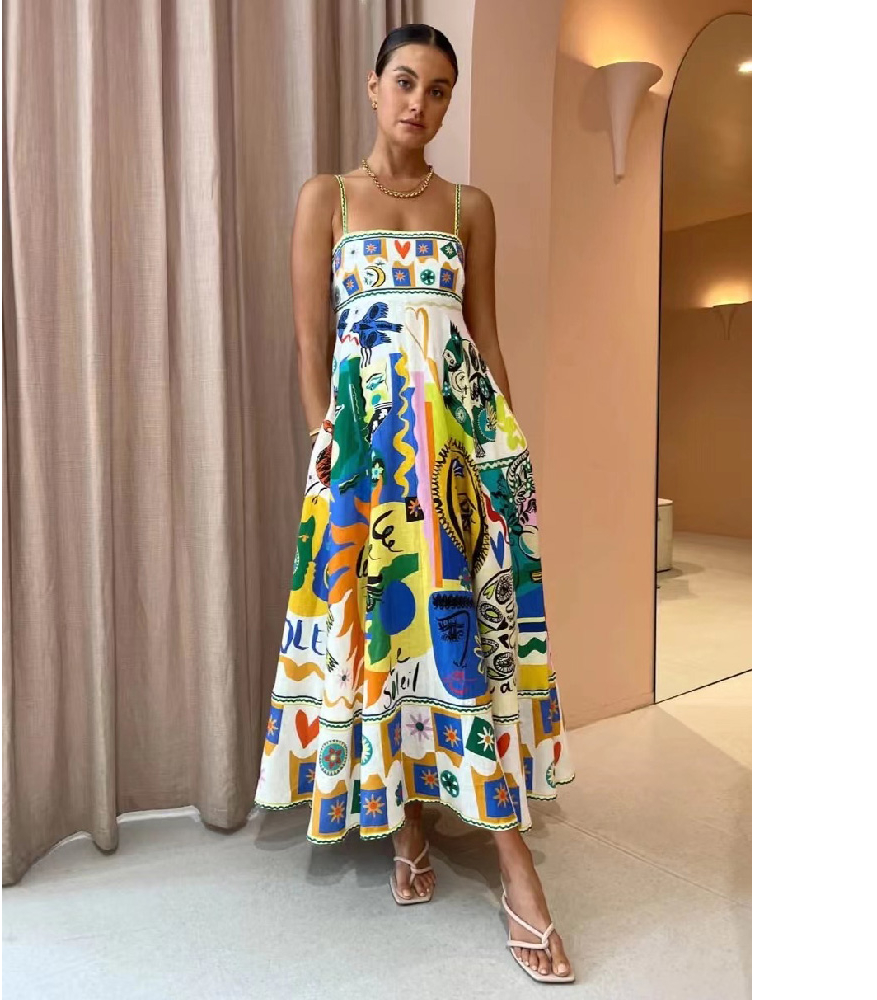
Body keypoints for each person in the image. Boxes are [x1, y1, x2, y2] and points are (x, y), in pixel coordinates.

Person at [254, 23, 576, 984]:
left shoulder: (470, 207)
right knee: (387, 639)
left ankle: (517, 871)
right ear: (373, 86)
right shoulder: (327, 199)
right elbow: (312, 346)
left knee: (465, 643)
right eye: (404, 82)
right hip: (367, 464)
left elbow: (486, 340)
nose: (419, 104)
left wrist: (508, 458)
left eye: (438, 90)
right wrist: (330, 454)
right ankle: (405, 826)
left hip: (459, 462)